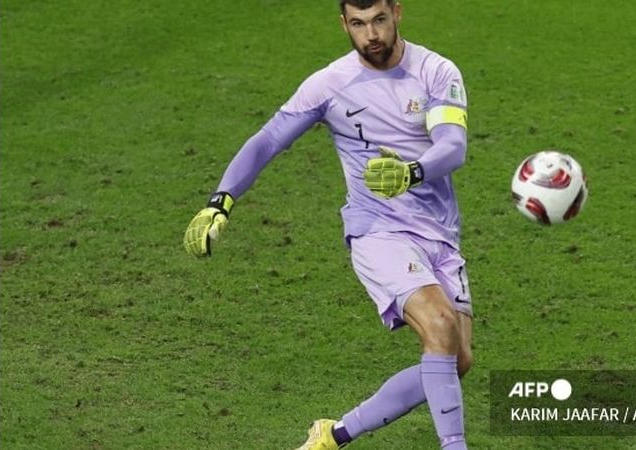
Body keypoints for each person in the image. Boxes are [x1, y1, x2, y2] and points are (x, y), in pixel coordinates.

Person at [183, 0, 473, 448]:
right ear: (344, 24)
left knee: (456, 360)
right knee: (438, 324)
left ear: (397, 13)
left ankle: (333, 435)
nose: (371, 34)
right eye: (358, 24)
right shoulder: (329, 85)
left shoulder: (436, 71)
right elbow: (267, 141)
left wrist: (412, 171)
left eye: (378, 20)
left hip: (439, 232)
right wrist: (219, 202)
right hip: (377, 231)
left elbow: (452, 145)